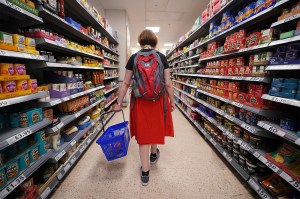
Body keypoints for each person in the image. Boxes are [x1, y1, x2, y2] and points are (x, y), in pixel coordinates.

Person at [113, 29, 175, 186]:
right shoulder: (161, 57)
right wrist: (172, 101)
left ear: (140, 42)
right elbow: (168, 83)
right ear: (155, 42)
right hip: (158, 100)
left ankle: (145, 173)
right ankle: (153, 155)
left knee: (144, 133)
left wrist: (118, 103)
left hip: (140, 101)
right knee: (154, 127)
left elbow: (126, 83)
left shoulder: (133, 58)